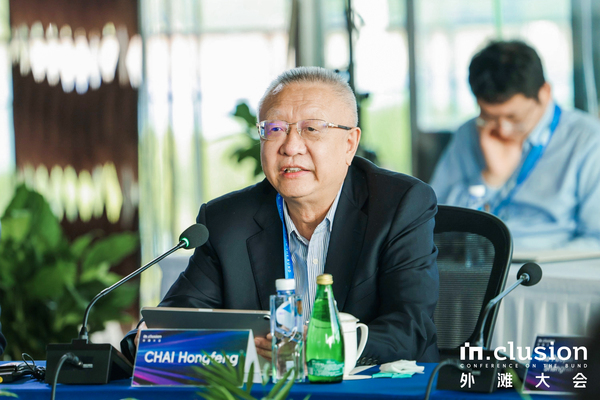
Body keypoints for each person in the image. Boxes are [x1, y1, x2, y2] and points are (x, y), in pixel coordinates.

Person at [122, 67, 439, 364]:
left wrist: (326, 345)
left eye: (311, 129)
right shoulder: (226, 222)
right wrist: (152, 337)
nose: (290, 147)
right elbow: (179, 316)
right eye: (274, 129)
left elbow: (410, 328)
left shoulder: (398, 205)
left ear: (349, 144)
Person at [431, 40, 600, 251]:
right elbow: (434, 221)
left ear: (545, 93)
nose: (503, 130)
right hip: (476, 261)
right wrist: (490, 180)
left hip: (548, 262)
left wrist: (543, 263)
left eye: (514, 117)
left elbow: (596, 238)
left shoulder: (588, 140)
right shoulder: (468, 133)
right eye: (489, 117)